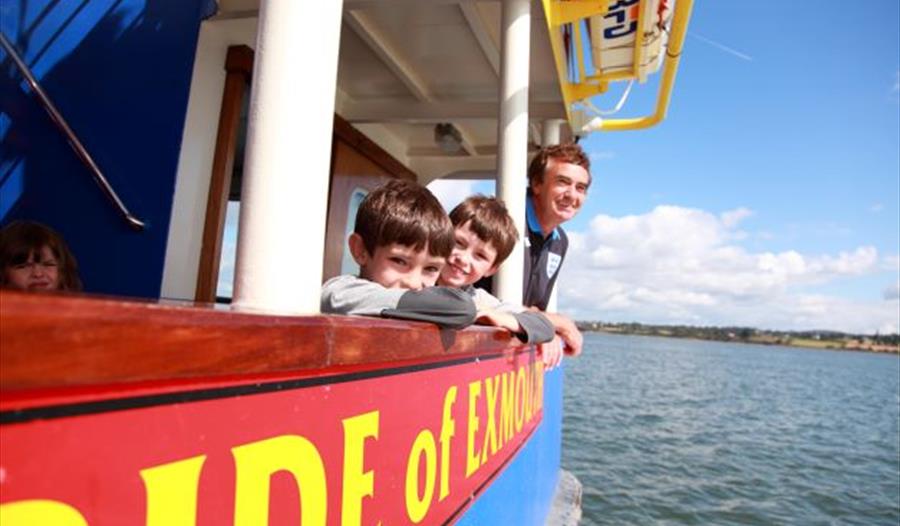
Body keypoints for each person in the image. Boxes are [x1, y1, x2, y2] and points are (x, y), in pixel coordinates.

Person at [321, 179, 476, 329]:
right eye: (399, 261)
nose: (414, 284)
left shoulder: (420, 308)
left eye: (431, 269)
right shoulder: (341, 293)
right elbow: (463, 308)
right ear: (360, 249)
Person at [438, 195, 561, 366]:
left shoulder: (479, 300)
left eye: (480, 255)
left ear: (492, 269)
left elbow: (544, 326)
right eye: (458, 243)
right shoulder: (414, 280)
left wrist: (496, 316)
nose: (463, 259)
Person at [522, 143, 591, 356]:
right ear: (536, 183)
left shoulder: (560, 241)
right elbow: (476, 297)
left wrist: (544, 324)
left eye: (581, 188)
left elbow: (533, 307)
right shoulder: (502, 221)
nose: (572, 195)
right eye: (563, 182)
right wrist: (553, 323)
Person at [0, 220, 82, 291]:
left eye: (48, 264)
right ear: (3, 273)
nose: (38, 274)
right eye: (23, 266)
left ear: (62, 270)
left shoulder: (80, 308)